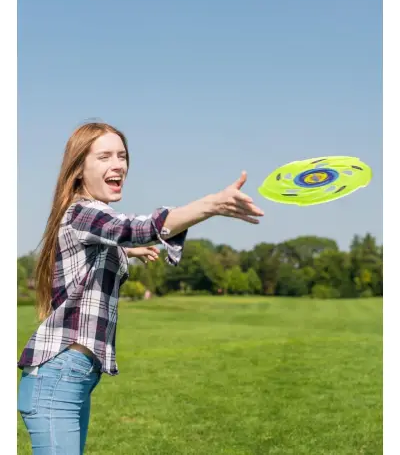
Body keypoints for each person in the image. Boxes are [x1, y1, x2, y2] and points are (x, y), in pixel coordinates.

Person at [17, 122, 264, 454]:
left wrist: (124, 250)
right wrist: (212, 205)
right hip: (58, 376)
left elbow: (112, 240)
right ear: (78, 169)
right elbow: (137, 227)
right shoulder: (82, 212)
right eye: (104, 156)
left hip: (72, 376)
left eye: (122, 156)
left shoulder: (89, 220)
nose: (118, 164)